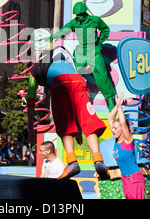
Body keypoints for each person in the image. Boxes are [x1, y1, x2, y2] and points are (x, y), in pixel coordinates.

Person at [29, 46, 110, 180]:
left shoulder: (34, 71)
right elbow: (76, 111)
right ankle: (98, 160)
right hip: (78, 80)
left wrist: (30, 125)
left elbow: (31, 101)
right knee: (88, 120)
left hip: (60, 84)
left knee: (64, 124)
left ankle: (72, 162)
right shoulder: (65, 62)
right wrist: (78, 128)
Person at [49, 2, 116, 110]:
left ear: (84, 13)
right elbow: (65, 30)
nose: (78, 17)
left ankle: (109, 99)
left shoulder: (95, 20)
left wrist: (99, 42)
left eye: (79, 14)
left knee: (101, 75)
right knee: (75, 74)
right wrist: (54, 36)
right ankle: (78, 99)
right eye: (76, 15)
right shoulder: (75, 23)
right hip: (82, 51)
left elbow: (105, 29)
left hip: (93, 50)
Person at [108, 93, 145, 199]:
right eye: (113, 128)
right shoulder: (117, 140)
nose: (113, 130)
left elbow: (123, 123)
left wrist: (120, 107)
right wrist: (118, 104)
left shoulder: (128, 141)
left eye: (116, 128)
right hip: (125, 178)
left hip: (135, 178)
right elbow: (110, 118)